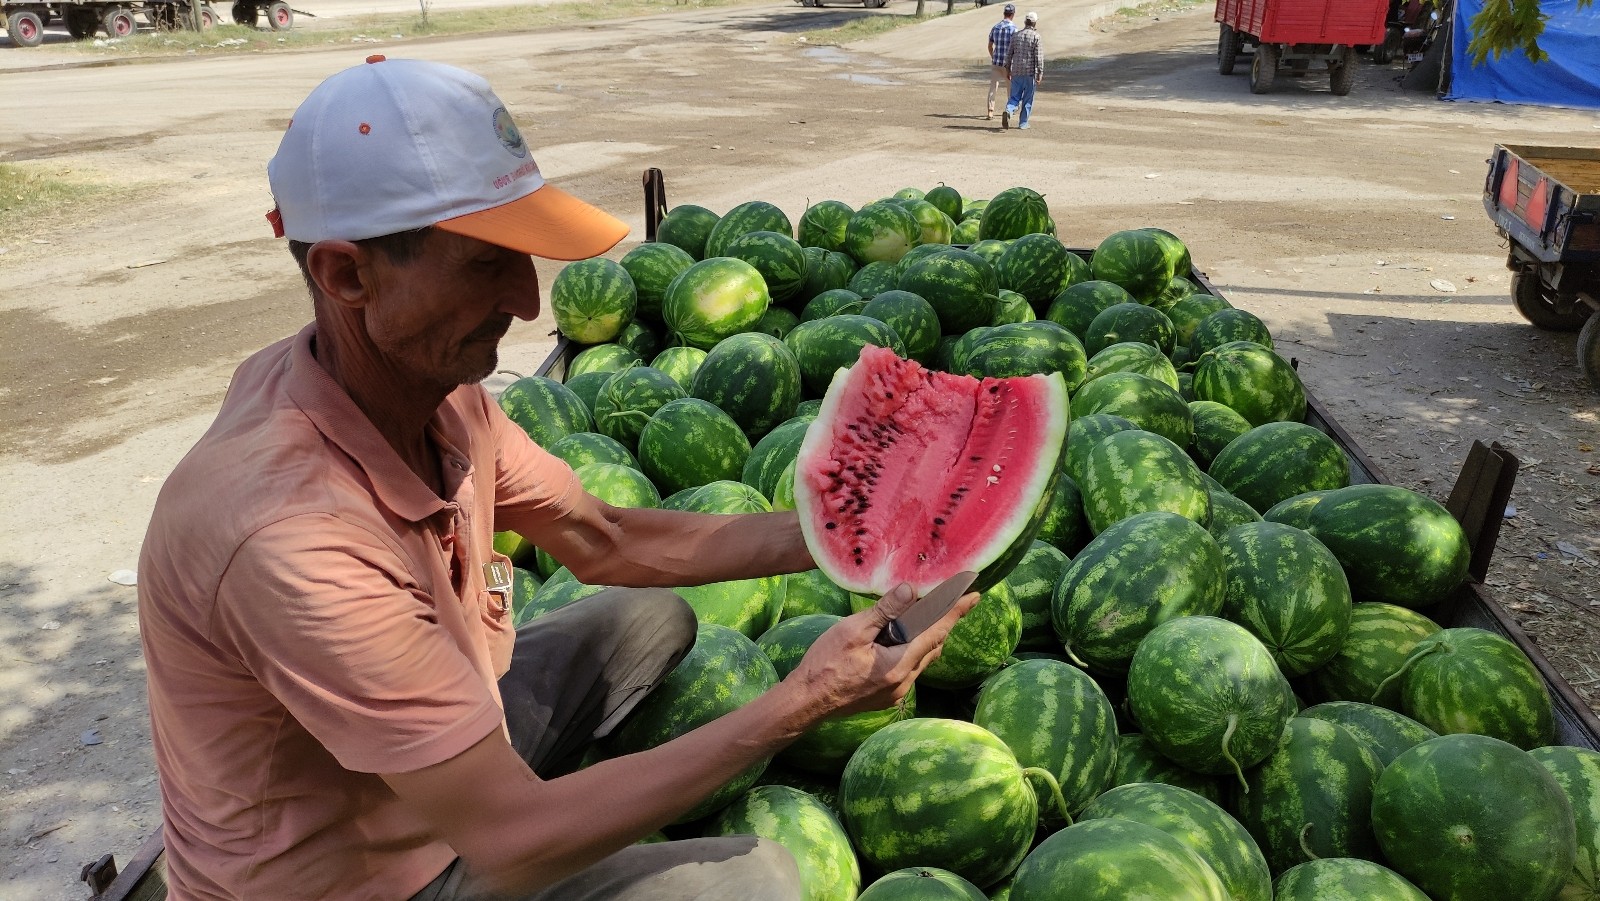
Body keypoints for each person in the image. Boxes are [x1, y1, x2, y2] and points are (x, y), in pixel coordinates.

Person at [136, 55, 978, 901]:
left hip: (425, 776)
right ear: (347, 275)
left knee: (649, 619)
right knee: (755, 881)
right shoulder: (287, 535)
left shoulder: (436, 394)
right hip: (360, 881)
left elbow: (606, 538)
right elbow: (509, 839)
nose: (530, 302)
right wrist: (799, 703)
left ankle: (529, 776)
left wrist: (839, 535)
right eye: (483, 264)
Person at [1002, 11, 1044, 130]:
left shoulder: (1016, 35)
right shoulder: (1036, 37)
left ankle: (1009, 110)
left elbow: (1009, 54)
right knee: (1028, 99)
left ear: (1025, 22)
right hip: (1030, 73)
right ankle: (1023, 123)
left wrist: (1008, 69)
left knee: (1014, 97)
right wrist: (1040, 73)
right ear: (1035, 23)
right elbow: (1039, 57)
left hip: (1016, 72)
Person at [986, 3, 1018, 119]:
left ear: (1004, 14)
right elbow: (1016, 48)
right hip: (1008, 64)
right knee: (1010, 88)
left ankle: (990, 111)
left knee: (993, 87)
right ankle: (1009, 110)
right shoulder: (1014, 29)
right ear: (1012, 14)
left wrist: (993, 56)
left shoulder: (995, 27)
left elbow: (990, 46)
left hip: (996, 62)